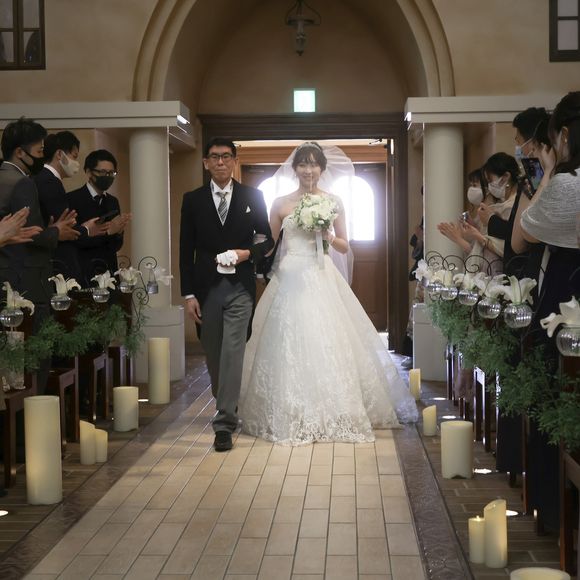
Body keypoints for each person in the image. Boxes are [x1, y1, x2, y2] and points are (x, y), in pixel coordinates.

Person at [239, 142, 418, 445]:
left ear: (322, 169)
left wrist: (328, 236)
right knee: (288, 339)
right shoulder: (280, 203)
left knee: (327, 339)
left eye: (313, 165)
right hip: (289, 275)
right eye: (303, 164)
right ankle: (290, 409)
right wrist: (248, 254)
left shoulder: (333, 201)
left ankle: (333, 409)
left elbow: (345, 246)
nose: (308, 170)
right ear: (295, 168)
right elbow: (269, 244)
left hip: (321, 274)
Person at [179, 137, 274, 452]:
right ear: (205, 162)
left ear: (234, 161)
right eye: (214, 157)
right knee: (213, 352)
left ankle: (224, 423)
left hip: (240, 288)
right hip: (206, 288)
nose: (220, 162)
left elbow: (267, 240)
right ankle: (226, 400)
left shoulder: (252, 196)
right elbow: (185, 250)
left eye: (226, 156)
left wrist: (246, 254)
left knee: (233, 350)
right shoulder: (193, 200)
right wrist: (188, 294)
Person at [0, 117, 78, 394]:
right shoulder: (22, 183)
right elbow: (31, 234)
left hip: (7, 279)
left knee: (10, 366)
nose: (43, 156)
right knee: (34, 363)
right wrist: (58, 231)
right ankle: (30, 418)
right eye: (39, 150)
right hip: (27, 282)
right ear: (19, 152)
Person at [33, 131, 108, 281]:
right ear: (59, 154)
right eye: (74, 156)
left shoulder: (43, 178)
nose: (76, 163)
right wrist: (87, 229)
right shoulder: (49, 182)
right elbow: (64, 229)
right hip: (56, 263)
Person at [68, 149, 131, 286]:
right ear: (89, 172)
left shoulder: (112, 201)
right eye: (102, 172)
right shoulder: (72, 199)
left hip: (109, 273)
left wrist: (119, 233)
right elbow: (74, 240)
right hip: (84, 274)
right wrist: (108, 232)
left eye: (111, 173)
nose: (107, 176)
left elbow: (115, 246)